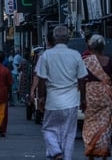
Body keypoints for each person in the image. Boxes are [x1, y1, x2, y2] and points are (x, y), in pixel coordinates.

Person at [36, 25, 88, 160]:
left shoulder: (46, 55)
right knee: (68, 134)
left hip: (53, 100)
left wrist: (41, 98)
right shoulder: (76, 55)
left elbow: (41, 79)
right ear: (68, 39)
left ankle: (55, 151)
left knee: (48, 129)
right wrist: (83, 99)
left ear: (54, 38)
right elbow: (82, 80)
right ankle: (64, 156)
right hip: (71, 101)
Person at [81, 34, 112, 160]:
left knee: (90, 125)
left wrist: (82, 99)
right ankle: (103, 154)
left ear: (91, 46)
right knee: (105, 125)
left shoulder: (86, 61)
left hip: (90, 95)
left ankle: (91, 153)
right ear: (103, 47)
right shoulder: (108, 60)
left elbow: (82, 81)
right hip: (106, 95)